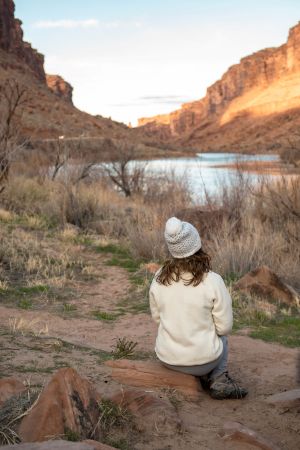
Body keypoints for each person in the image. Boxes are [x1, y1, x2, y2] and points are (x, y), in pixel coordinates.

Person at [149, 217, 248, 400]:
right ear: (197, 245)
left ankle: (204, 374)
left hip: (168, 360)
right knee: (222, 338)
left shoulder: (159, 277)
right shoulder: (212, 280)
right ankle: (218, 378)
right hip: (205, 362)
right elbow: (224, 327)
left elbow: (157, 319)